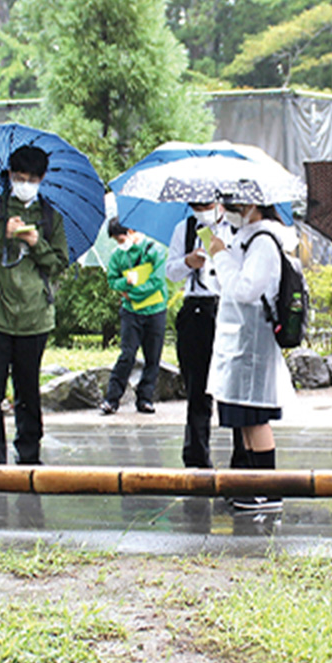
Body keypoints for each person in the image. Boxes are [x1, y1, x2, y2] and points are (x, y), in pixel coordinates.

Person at [0, 145, 70, 465]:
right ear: (10, 175)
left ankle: (29, 455)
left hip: (34, 317)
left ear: (42, 179)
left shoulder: (51, 217)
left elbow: (58, 264)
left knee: (28, 390)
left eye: (32, 178)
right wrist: (2, 236)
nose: (25, 183)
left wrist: (37, 244)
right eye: (20, 177)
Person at [205, 192, 296, 510]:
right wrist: (219, 255)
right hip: (239, 340)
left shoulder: (264, 241)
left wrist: (220, 256)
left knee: (256, 418)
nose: (229, 211)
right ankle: (253, 485)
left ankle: (268, 490)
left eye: (234, 205)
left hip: (252, 342)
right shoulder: (246, 239)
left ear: (253, 205)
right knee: (244, 417)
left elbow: (246, 289)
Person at [166, 201, 249, 469]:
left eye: (207, 203)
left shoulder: (238, 229)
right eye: (196, 204)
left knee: (234, 388)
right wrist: (188, 262)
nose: (202, 209)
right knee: (197, 389)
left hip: (230, 308)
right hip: (197, 309)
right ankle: (197, 458)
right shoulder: (185, 228)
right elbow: (171, 271)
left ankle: (243, 459)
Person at [100, 218, 169, 415]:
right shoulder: (117, 256)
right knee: (127, 354)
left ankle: (145, 398)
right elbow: (113, 281)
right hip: (131, 313)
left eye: (120, 239)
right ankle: (112, 398)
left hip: (155, 310)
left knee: (153, 357)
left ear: (130, 231)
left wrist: (131, 293)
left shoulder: (154, 250)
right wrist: (125, 282)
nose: (120, 244)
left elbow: (156, 281)